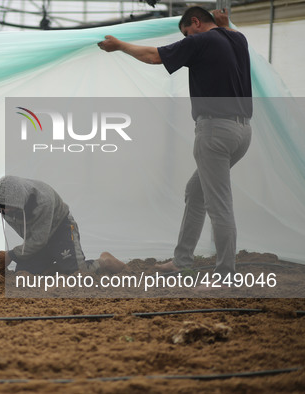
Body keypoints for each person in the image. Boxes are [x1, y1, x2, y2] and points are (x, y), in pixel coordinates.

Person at [97, 7, 252, 279]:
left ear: (195, 23)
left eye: (186, 32)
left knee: (219, 206)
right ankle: (182, 260)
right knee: (196, 191)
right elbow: (230, 32)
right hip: (242, 132)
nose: (186, 38)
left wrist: (120, 46)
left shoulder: (201, 40)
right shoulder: (237, 39)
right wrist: (225, 24)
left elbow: (155, 57)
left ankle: (225, 275)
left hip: (216, 131)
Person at [0, 175, 125, 275]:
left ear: (20, 202)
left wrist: (11, 255)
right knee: (25, 275)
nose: (4, 211)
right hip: (36, 238)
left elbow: (38, 241)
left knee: (77, 273)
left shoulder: (43, 201)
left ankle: (104, 261)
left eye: (8, 208)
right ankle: (54, 263)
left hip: (60, 229)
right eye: (0, 207)